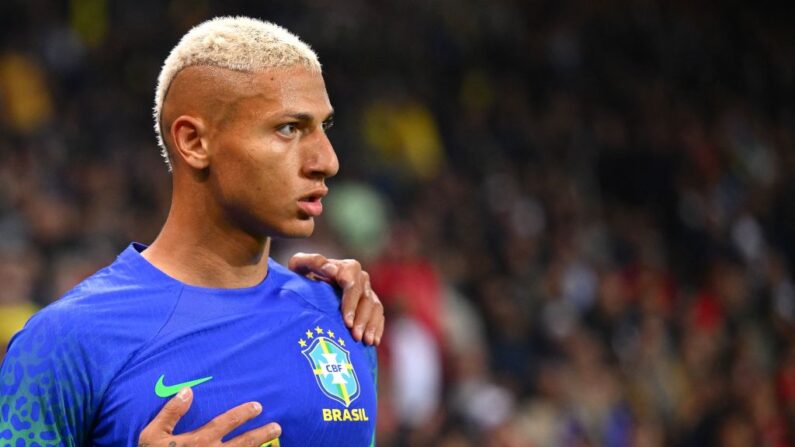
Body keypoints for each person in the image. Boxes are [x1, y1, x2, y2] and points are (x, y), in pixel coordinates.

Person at [0, 17, 383, 447]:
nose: (327, 161)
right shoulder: (64, 341)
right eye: (288, 128)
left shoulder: (342, 316)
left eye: (323, 127)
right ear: (194, 142)